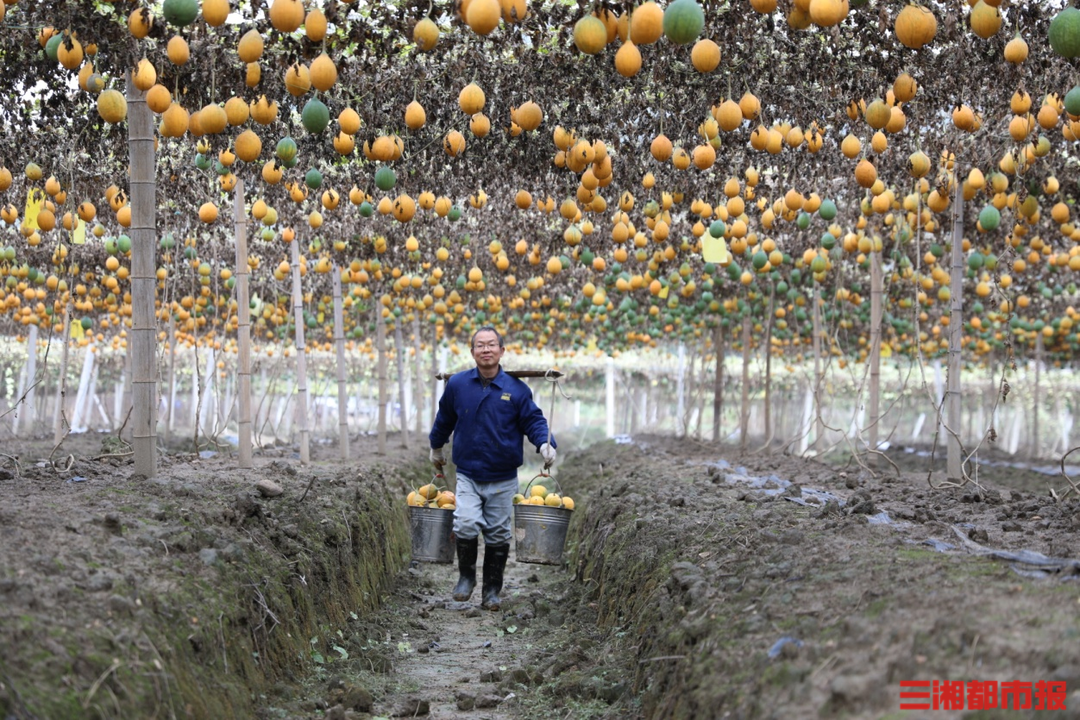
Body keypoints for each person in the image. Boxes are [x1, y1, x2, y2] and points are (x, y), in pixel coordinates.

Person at [429, 326, 556, 611]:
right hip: (469, 474)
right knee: (465, 522)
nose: (485, 350)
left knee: (498, 533)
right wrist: (436, 446)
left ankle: (492, 591)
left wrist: (545, 443)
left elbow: (534, 422)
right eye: (479, 345)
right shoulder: (458, 385)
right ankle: (465, 579)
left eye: (491, 345)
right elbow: (444, 419)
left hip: (503, 477)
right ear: (472, 352)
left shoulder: (517, 389)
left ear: (501, 350)